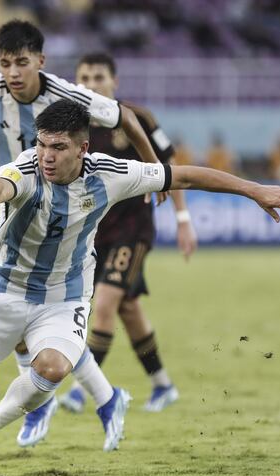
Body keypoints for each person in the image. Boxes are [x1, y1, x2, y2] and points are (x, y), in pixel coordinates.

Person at [0, 99, 280, 475]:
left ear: (83, 148)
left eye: (59, 147)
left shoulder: (110, 173)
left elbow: (186, 175)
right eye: (42, 144)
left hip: (65, 296)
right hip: (3, 291)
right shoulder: (24, 169)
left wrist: (253, 189)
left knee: (53, 368)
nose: (47, 156)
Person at [0, 19, 162, 449]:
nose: (12, 72)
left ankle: (50, 400)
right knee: (31, 310)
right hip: (12, 200)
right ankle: (103, 397)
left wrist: (154, 170)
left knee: (37, 304)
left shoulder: (69, 95)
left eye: (21, 63)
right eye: (5, 63)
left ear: (40, 62)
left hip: (65, 204)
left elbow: (127, 117)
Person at [58, 53, 197, 415]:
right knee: (129, 308)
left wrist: (183, 218)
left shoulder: (137, 118)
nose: (90, 84)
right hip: (92, 232)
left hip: (133, 229)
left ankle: (80, 391)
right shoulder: (68, 124)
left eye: (98, 77)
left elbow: (171, 168)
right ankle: (163, 384)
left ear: (114, 82)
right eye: (83, 77)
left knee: (104, 302)